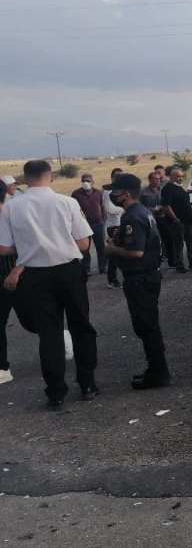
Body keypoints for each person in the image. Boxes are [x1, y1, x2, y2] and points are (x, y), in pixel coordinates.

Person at [0, 160, 99, 410]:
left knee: (49, 333)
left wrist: (30, 246)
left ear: (25, 178)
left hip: (34, 275)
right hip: (68, 271)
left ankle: (55, 391)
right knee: (81, 326)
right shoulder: (67, 202)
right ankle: (87, 383)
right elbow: (84, 244)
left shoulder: (11, 208)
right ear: (51, 176)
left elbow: (4, 248)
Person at [104, 173, 171, 390]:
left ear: (125, 194)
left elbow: (136, 252)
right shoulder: (139, 212)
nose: (112, 196)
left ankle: (159, 374)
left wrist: (113, 249)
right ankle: (154, 369)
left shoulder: (133, 216)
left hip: (141, 278)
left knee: (147, 326)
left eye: (114, 192)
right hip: (145, 276)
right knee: (145, 325)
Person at [0, 180, 35, 385]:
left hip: (18, 278)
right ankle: (2, 367)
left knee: (31, 322)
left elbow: (29, 246)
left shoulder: (12, 217)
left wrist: (16, 271)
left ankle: (61, 337)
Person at [160, 166, 192, 273]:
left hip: (187, 221)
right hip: (177, 222)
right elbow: (166, 206)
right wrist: (175, 219)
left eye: (182, 176)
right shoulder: (167, 189)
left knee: (191, 242)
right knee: (178, 244)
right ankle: (179, 265)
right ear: (171, 177)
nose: (180, 178)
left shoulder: (180, 187)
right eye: (178, 176)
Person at [71, 172, 106, 275]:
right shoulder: (76, 194)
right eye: (83, 181)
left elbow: (102, 206)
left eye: (88, 181)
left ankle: (102, 267)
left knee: (101, 247)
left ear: (92, 182)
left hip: (98, 223)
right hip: (83, 225)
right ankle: (86, 268)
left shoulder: (98, 192)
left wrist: (103, 220)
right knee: (85, 248)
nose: (85, 182)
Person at [102, 168, 125, 289]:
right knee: (114, 255)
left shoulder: (122, 189)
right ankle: (112, 279)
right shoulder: (108, 191)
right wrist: (125, 208)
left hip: (122, 224)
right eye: (118, 176)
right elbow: (110, 209)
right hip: (113, 226)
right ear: (112, 178)